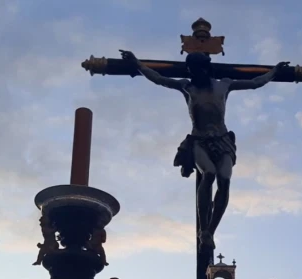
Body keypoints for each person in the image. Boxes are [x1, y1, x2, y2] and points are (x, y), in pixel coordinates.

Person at [119, 49, 290, 250]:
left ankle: (210, 231)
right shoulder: (186, 87)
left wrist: (274, 72)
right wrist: (137, 63)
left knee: (224, 180)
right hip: (199, 141)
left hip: (223, 140)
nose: (194, 74)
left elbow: (254, 83)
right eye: (191, 70)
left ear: (206, 69)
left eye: (197, 70)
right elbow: (158, 79)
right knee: (208, 174)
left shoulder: (224, 85)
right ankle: (203, 230)